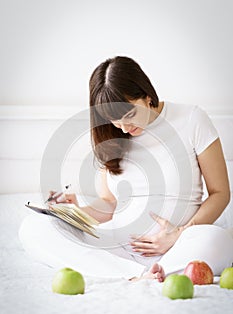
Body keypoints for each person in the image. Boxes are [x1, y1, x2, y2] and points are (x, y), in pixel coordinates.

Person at [19, 56, 233, 282]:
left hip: (178, 246)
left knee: (217, 240)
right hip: (119, 250)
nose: (123, 127)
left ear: (147, 94)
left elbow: (221, 193)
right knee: (33, 229)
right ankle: (136, 276)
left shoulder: (192, 119)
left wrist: (178, 234)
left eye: (129, 115)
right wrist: (75, 212)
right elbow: (109, 203)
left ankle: (158, 270)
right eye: (114, 120)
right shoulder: (113, 136)